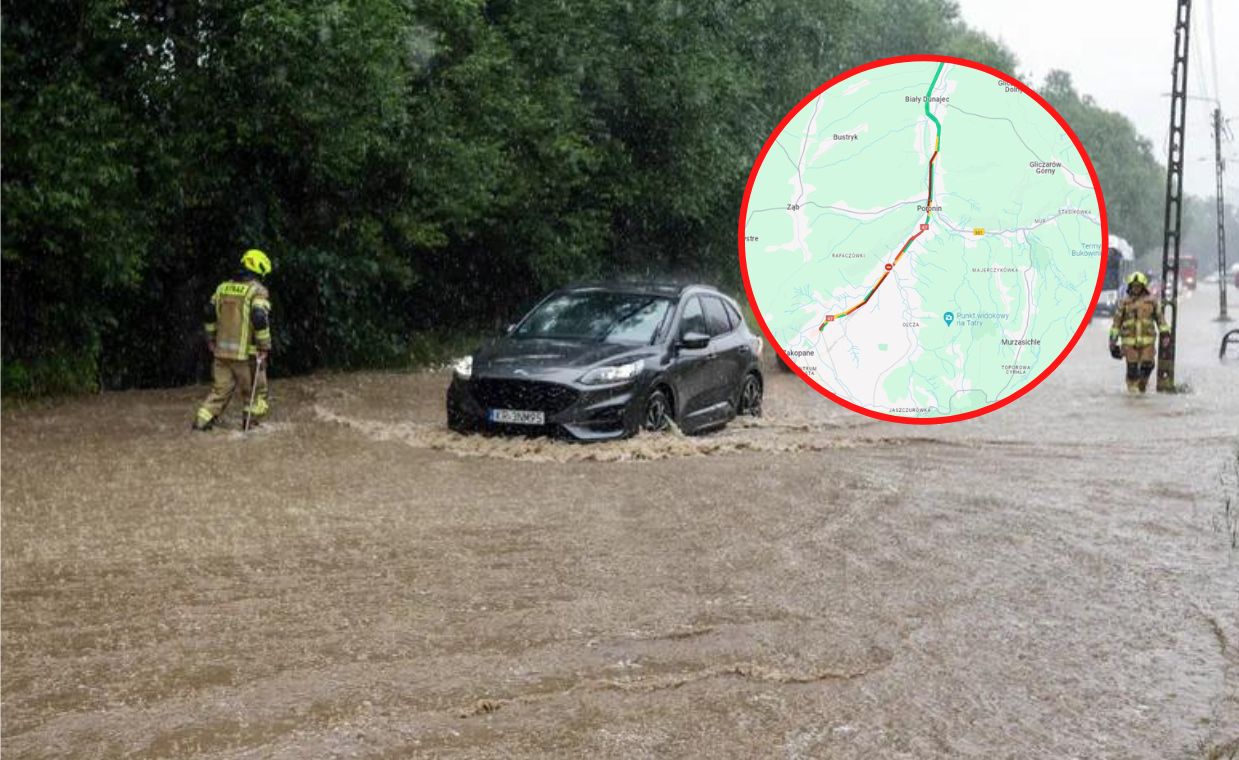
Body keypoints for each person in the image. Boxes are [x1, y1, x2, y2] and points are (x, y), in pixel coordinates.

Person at [193, 249, 273, 430]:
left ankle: (201, 424)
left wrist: (211, 338)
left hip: (221, 354)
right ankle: (249, 427)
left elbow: (208, 312)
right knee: (256, 395)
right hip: (246, 356)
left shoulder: (222, 288)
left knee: (219, 393)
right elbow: (259, 317)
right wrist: (264, 345)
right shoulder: (257, 291)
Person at [1109, 271, 1169, 393]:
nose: (1136, 289)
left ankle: (1142, 386)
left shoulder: (1151, 301)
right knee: (1132, 370)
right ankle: (1132, 392)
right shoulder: (1124, 303)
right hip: (1129, 343)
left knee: (1147, 365)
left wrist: (1165, 334)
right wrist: (1112, 341)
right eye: (1134, 286)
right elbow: (1116, 323)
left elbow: (1160, 319)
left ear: (1143, 287)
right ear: (1130, 287)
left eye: (1138, 286)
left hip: (1147, 341)